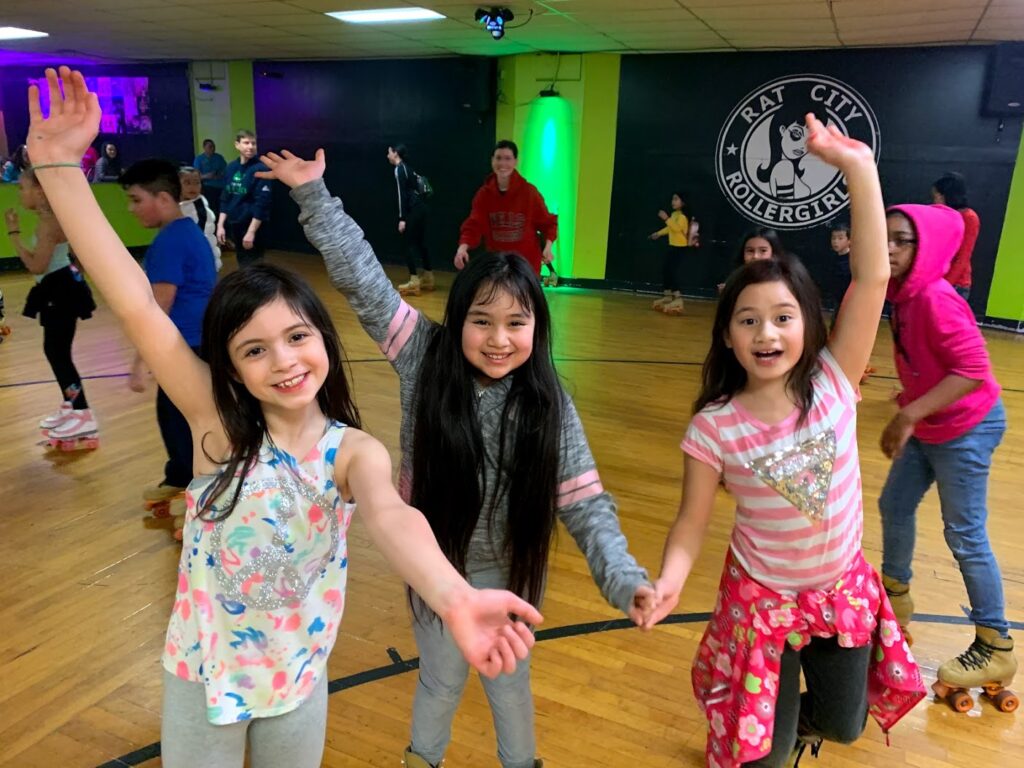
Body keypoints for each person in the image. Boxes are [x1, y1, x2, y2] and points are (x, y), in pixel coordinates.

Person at [26, 65, 543, 768]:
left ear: (324, 341)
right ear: (231, 366)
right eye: (255, 349)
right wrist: (59, 167)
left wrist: (454, 597)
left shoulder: (352, 452)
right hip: (203, 676)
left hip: (299, 681)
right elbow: (138, 304)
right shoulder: (216, 423)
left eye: (299, 337)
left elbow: (394, 517)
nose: (286, 361)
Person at [257, 146, 653, 768]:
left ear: (537, 329)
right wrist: (313, 195)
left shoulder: (549, 402)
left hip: (512, 569)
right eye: (481, 321)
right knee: (440, 679)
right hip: (434, 565)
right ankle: (424, 758)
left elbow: (585, 505)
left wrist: (624, 579)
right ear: (457, 318)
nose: (499, 340)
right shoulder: (424, 354)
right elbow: (363, 279)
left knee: (510, 684)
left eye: (516, 323)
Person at [642, 115, 925, 768]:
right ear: (727, 337)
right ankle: (775, 722)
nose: (766, 333)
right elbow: (691, 522)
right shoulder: (715, 426)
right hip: (762, 602)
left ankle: (798, 720)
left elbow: (874, 278)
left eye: (782, 317)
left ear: (808, 325)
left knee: (847, 726)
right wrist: (671, 579)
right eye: (748, 320)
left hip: (840, 588)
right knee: (762, 759)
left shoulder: (833, 378)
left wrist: (860, 169)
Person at [879, 203, 1015, 700]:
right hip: (933, 424)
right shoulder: (903, 296)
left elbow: (973, 369)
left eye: (901, 240)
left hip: (967, 427)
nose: (889, 247)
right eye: (884, 237)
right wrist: (910, 403)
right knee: (893, 504)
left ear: (927, 248)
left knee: (965, 535)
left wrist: (909, 414)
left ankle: (995, 642)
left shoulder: (934, 298)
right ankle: (895, 599)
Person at [121, 159, 217, 519]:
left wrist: (140, 360)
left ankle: (198, 488)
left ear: (163, 198)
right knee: (176, 415)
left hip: (184, 345)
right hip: (197, 341)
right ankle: (181, 477)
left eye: (135, 199)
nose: (131, 210)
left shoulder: (169, 242)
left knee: (181, 420)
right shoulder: (189, 232)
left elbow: (160, 303)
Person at [5, 167, 98, 449]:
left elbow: (36, 265)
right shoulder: (50, 218)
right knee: (56, 351)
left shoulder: (48, 223)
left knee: (57, 353)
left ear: (41, 191)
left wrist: (13, 234)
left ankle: (82, 413)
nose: (20, 193)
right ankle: (72, 407)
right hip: (59, 289)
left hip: (60, 292)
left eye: (23, 188)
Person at [455, 140, 557, 277]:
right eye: (498, 158)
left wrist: (548, 248)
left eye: (508, 158)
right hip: (498, 265)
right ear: (492, 161)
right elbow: (474, 225)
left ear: (515, 162)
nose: (502, 163)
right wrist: (462, 248)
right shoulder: (484, 195)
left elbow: (548, 223)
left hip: (526, 265)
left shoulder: (529, 192)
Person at [217, 129, 272, 268]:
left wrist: (251, 232)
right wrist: (220, 225)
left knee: (254, 264)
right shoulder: (231, 168)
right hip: (236, 223)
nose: (250, 147)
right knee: (242, 262)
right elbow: (225, 197)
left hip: (253, 225)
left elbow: (262, 203)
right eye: (246, 143)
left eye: (253, 143)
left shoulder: (261, 169)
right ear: (237, 145)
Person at [387, 143, 434, 296]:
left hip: (414, 210)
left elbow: (402, 195)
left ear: (395, 154)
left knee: (406, 244)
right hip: (423, 208)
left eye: (389, 152)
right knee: (421, 242)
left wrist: (402, 218)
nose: (387, 155)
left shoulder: (399, 169)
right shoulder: (408, 168)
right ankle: (428, 276)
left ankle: (414, 281)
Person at [931, 172, 979, 302]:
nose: (935, 201)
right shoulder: (939, 214)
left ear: (946, 196)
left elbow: (963, 256)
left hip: (955, 284)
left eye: (937, 196)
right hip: (934, 280)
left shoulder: (968, 217)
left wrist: (945, 286)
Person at [649, 191, 689, 315]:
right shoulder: (674, 215)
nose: (673, 202)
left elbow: (677, 228)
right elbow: (670, 228)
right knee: (666, 270)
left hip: (680, 248)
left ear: (683, 203)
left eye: (676, 199)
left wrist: (666, 218)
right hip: (673, 246)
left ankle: (678, 299)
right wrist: (658, 233)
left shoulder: (682, 217)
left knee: (671, 271)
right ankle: (667, 296)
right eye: (673, 199)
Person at [179, 165, 222, 272]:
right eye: (187, 183)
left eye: (196, 182)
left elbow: (200, 240)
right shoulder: (180, 205)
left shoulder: (199, 209)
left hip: (201, 264)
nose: (192, 187)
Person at [716, 228, 786, 293]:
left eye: (763, 250)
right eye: (750, 251)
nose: (755, 256)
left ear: (774, 253)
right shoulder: (736, 279)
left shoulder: (783, 282)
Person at [194, 138, 227, 217]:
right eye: (210, 146)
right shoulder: (199, 159)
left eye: (213, 146)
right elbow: (196, 176)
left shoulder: (219, 158)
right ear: (204, 147)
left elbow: (226, 171)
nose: (212, 148)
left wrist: (219, 175)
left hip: (220, 186)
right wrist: (207, 176)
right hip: (207, 187)